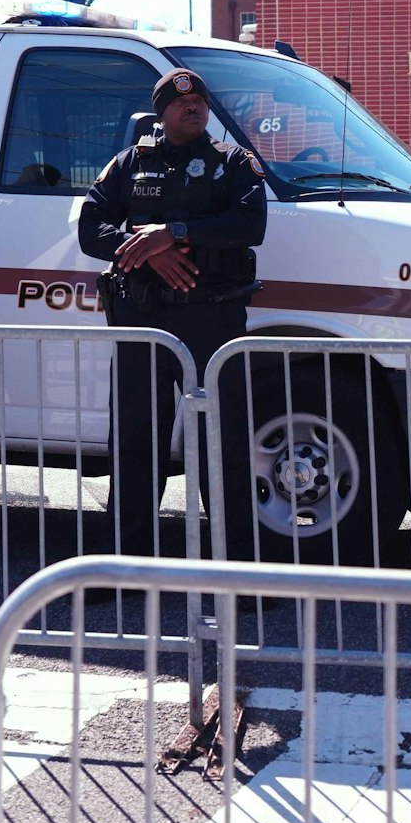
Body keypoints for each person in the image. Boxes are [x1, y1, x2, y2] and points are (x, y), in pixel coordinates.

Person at [79, 68, 267, 559]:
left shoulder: (232, 163)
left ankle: (239, 571)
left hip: (212, 318)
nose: (194, 107)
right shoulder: (129, 163)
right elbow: (90, 228)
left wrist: (175, 231)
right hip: (143, 316)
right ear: (161, 111)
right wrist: (142, 248)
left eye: (200, 101)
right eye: (182, 102)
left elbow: (250, 223)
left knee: (222, 445)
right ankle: (126, 565)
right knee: (136, 441)